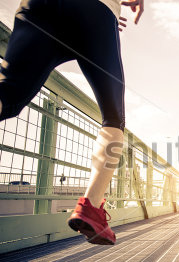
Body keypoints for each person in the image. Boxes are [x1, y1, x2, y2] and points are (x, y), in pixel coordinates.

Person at [0, 0, 144, 245]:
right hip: (96, 11)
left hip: (39, 7)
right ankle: (91, 207)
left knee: (8, 97)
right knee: (113, 117)